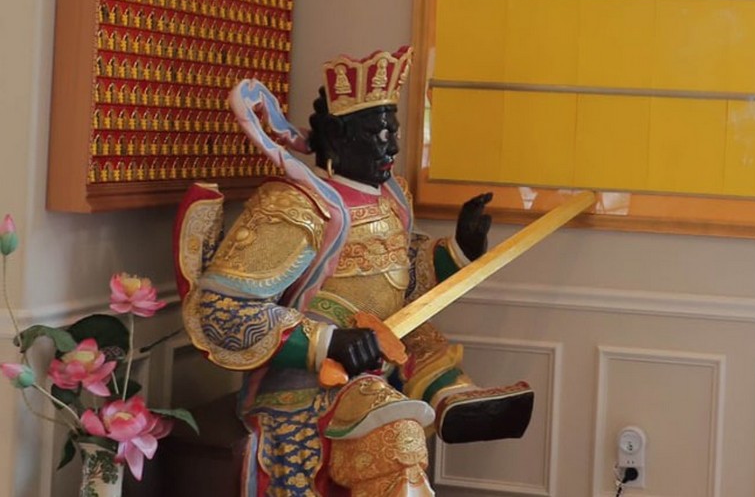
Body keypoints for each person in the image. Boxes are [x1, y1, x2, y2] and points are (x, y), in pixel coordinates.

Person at [175, 47, 533, 497]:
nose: (392, 146)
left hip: (381, 358)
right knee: (397, 435)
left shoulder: (393, 198)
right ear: (339, 138)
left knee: (421, 338)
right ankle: (439, 399)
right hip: (309, 386)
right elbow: (222, 309)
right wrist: (327, 341)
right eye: (377, 134)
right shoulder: (295, 206)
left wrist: (460, 249)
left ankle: (451, 395)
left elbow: (402, 278)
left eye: (393, 131)